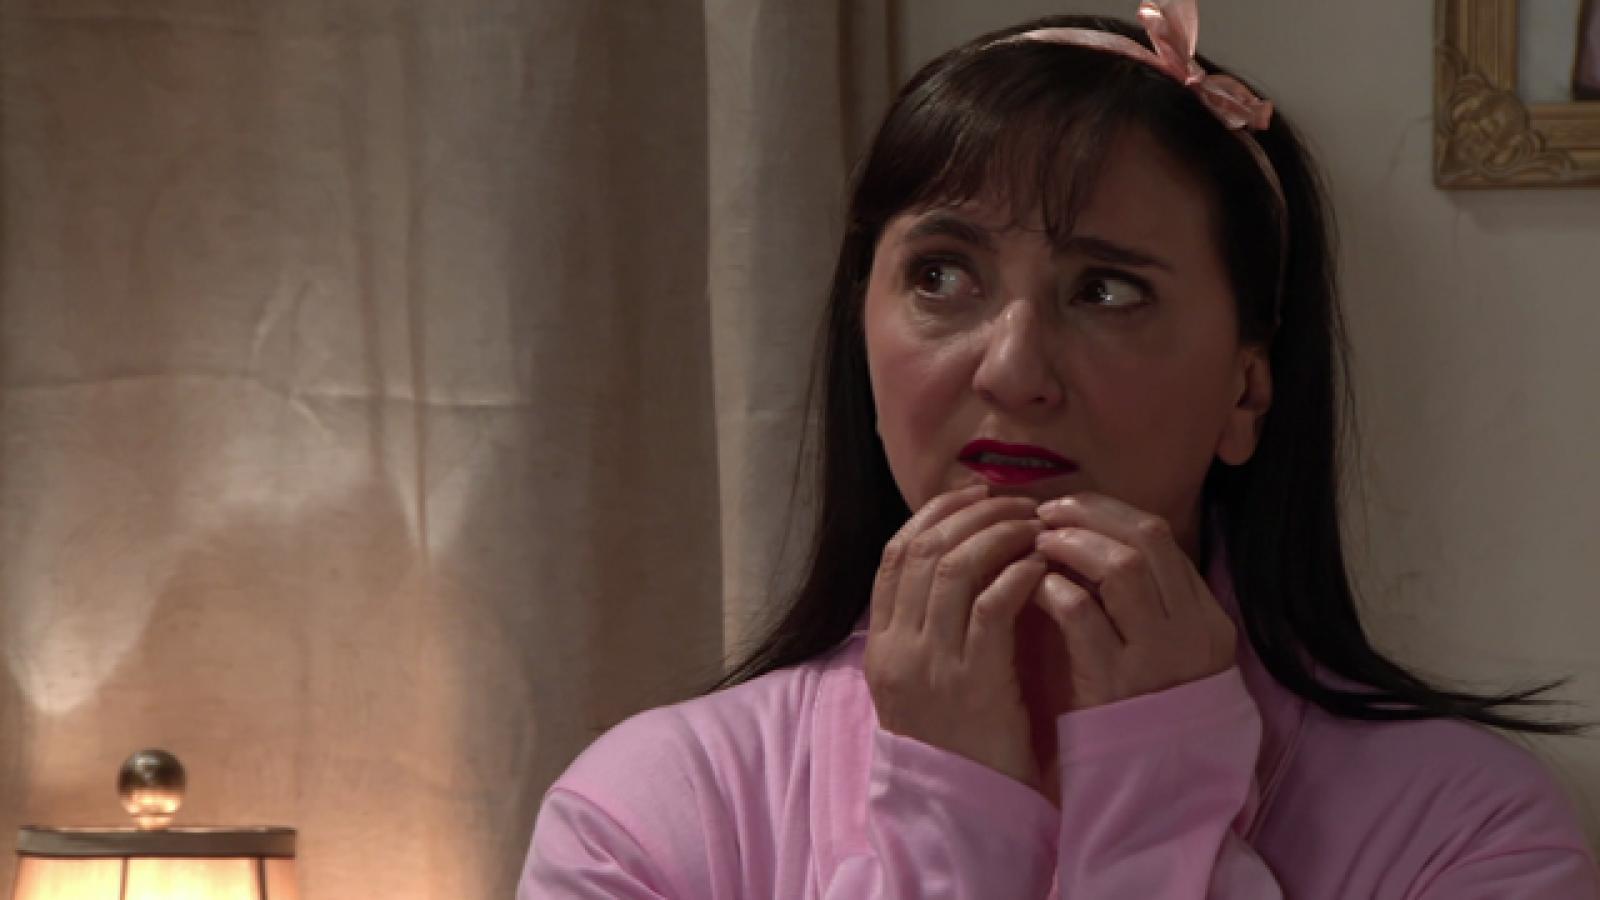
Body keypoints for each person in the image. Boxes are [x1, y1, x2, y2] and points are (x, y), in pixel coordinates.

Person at [519, 2, 1600, 896]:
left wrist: (1155, 796)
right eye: (941, 276)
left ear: (1246, 388)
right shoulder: (646, 817)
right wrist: (950, 811)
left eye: (1106, 289)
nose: (1011, 368)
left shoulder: (1463, 831)